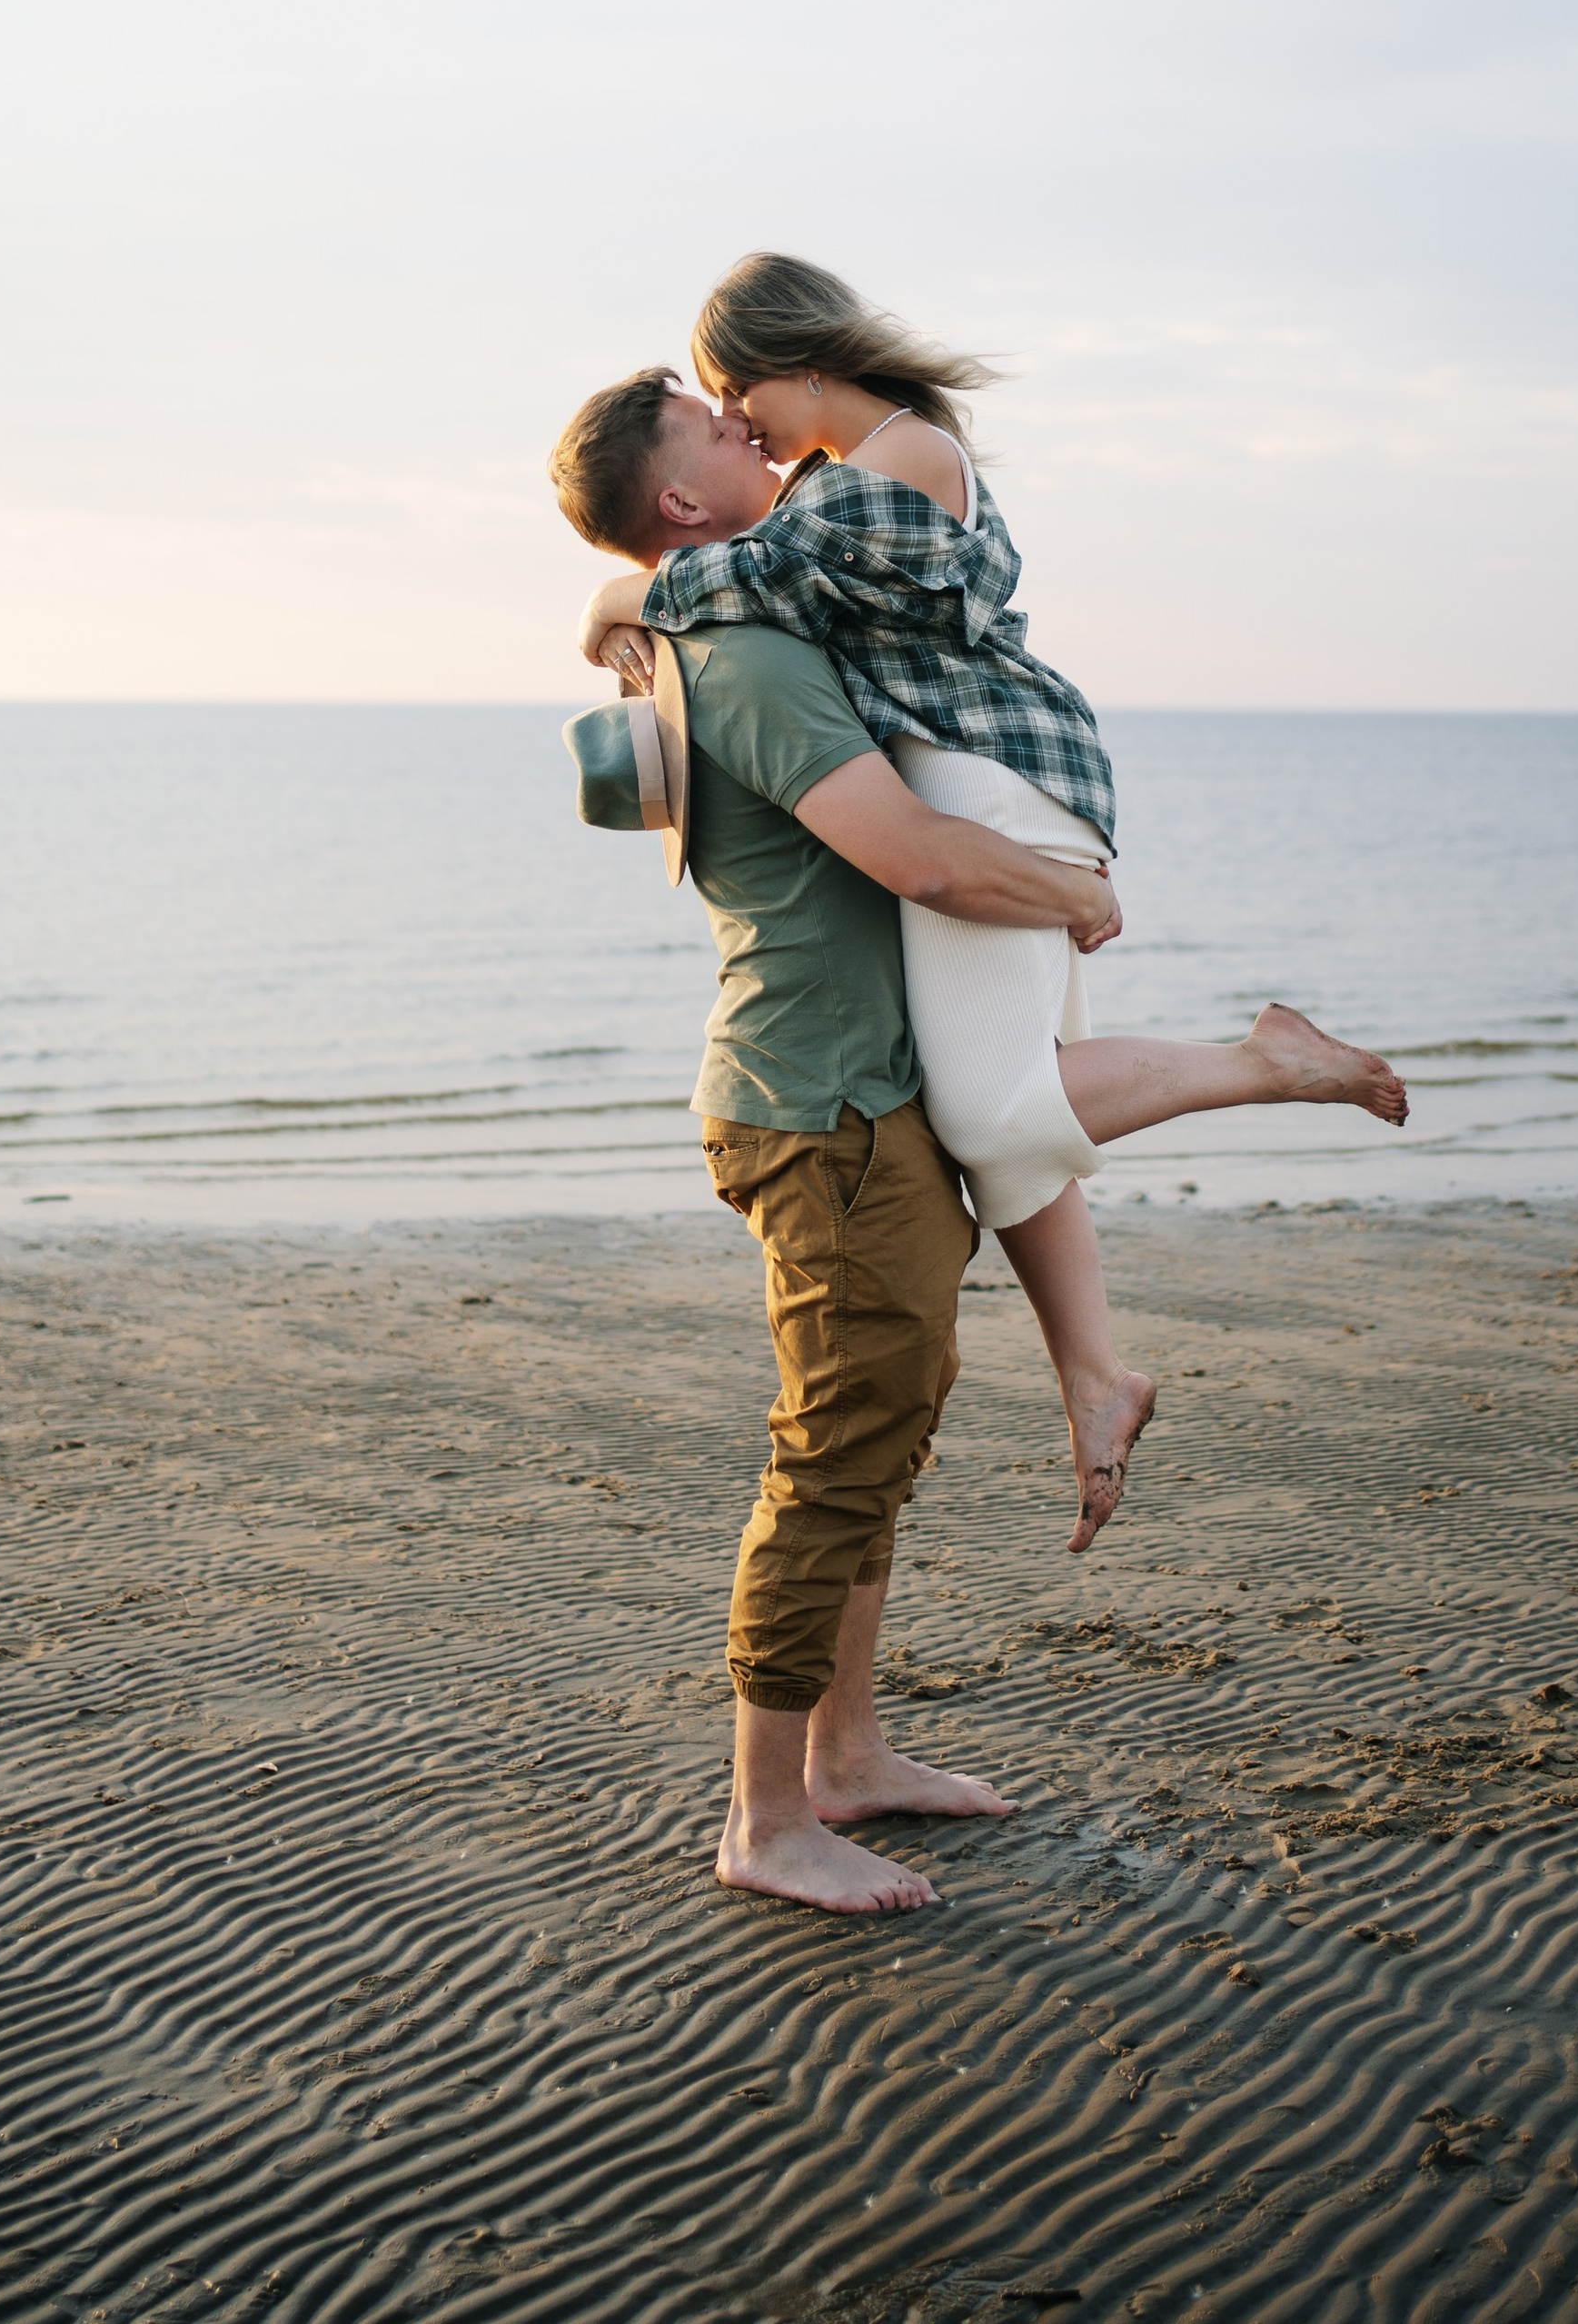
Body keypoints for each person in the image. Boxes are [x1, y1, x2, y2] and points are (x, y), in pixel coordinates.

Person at [570, 263, 1410, 1551]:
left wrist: (611, 600)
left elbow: (723, 578)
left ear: (794, 363)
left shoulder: (888, 466)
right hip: (999, 784)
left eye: (735, 390)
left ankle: (1266, 1062)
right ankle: (1095, 1374)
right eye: (717, 409)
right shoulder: (856, 467)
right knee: (1010, 1111)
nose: (738, 421)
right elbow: (743, 572)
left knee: (988, 1104)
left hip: (993, 794)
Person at [551, 370, 1123, 1912]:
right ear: (678, 498)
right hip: (822, 1111)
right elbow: (917, 858)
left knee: (876, 1445)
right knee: (827, 1469)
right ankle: (763, 1819)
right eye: (709, 425)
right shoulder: (735, 650)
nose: (745, 426)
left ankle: (849, 1757)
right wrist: (1074, 894)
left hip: (859, 1094)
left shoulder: (724, 608)